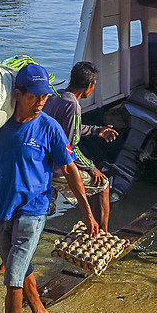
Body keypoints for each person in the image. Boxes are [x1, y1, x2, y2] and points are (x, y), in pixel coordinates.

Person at [0, 62, 96, 313]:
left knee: (12, 276)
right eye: (34, 96)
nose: (41, 103)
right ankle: (40, 311)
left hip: (33, 212)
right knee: (18, 267)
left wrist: (86, 212)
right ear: (18, 94)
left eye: (45, 97)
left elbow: (71, 170)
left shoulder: (49, 127)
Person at [43, 61, 118, 232]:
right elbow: (70, 147)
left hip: (44, 164)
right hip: (58, 168)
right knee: (103, 184)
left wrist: (97, 130)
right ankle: (102, 235)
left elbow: (69, 129)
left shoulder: (55, 96)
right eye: (94, 85)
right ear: (88, 86)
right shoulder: (73, 105)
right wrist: (92, 168)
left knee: (46, 210)